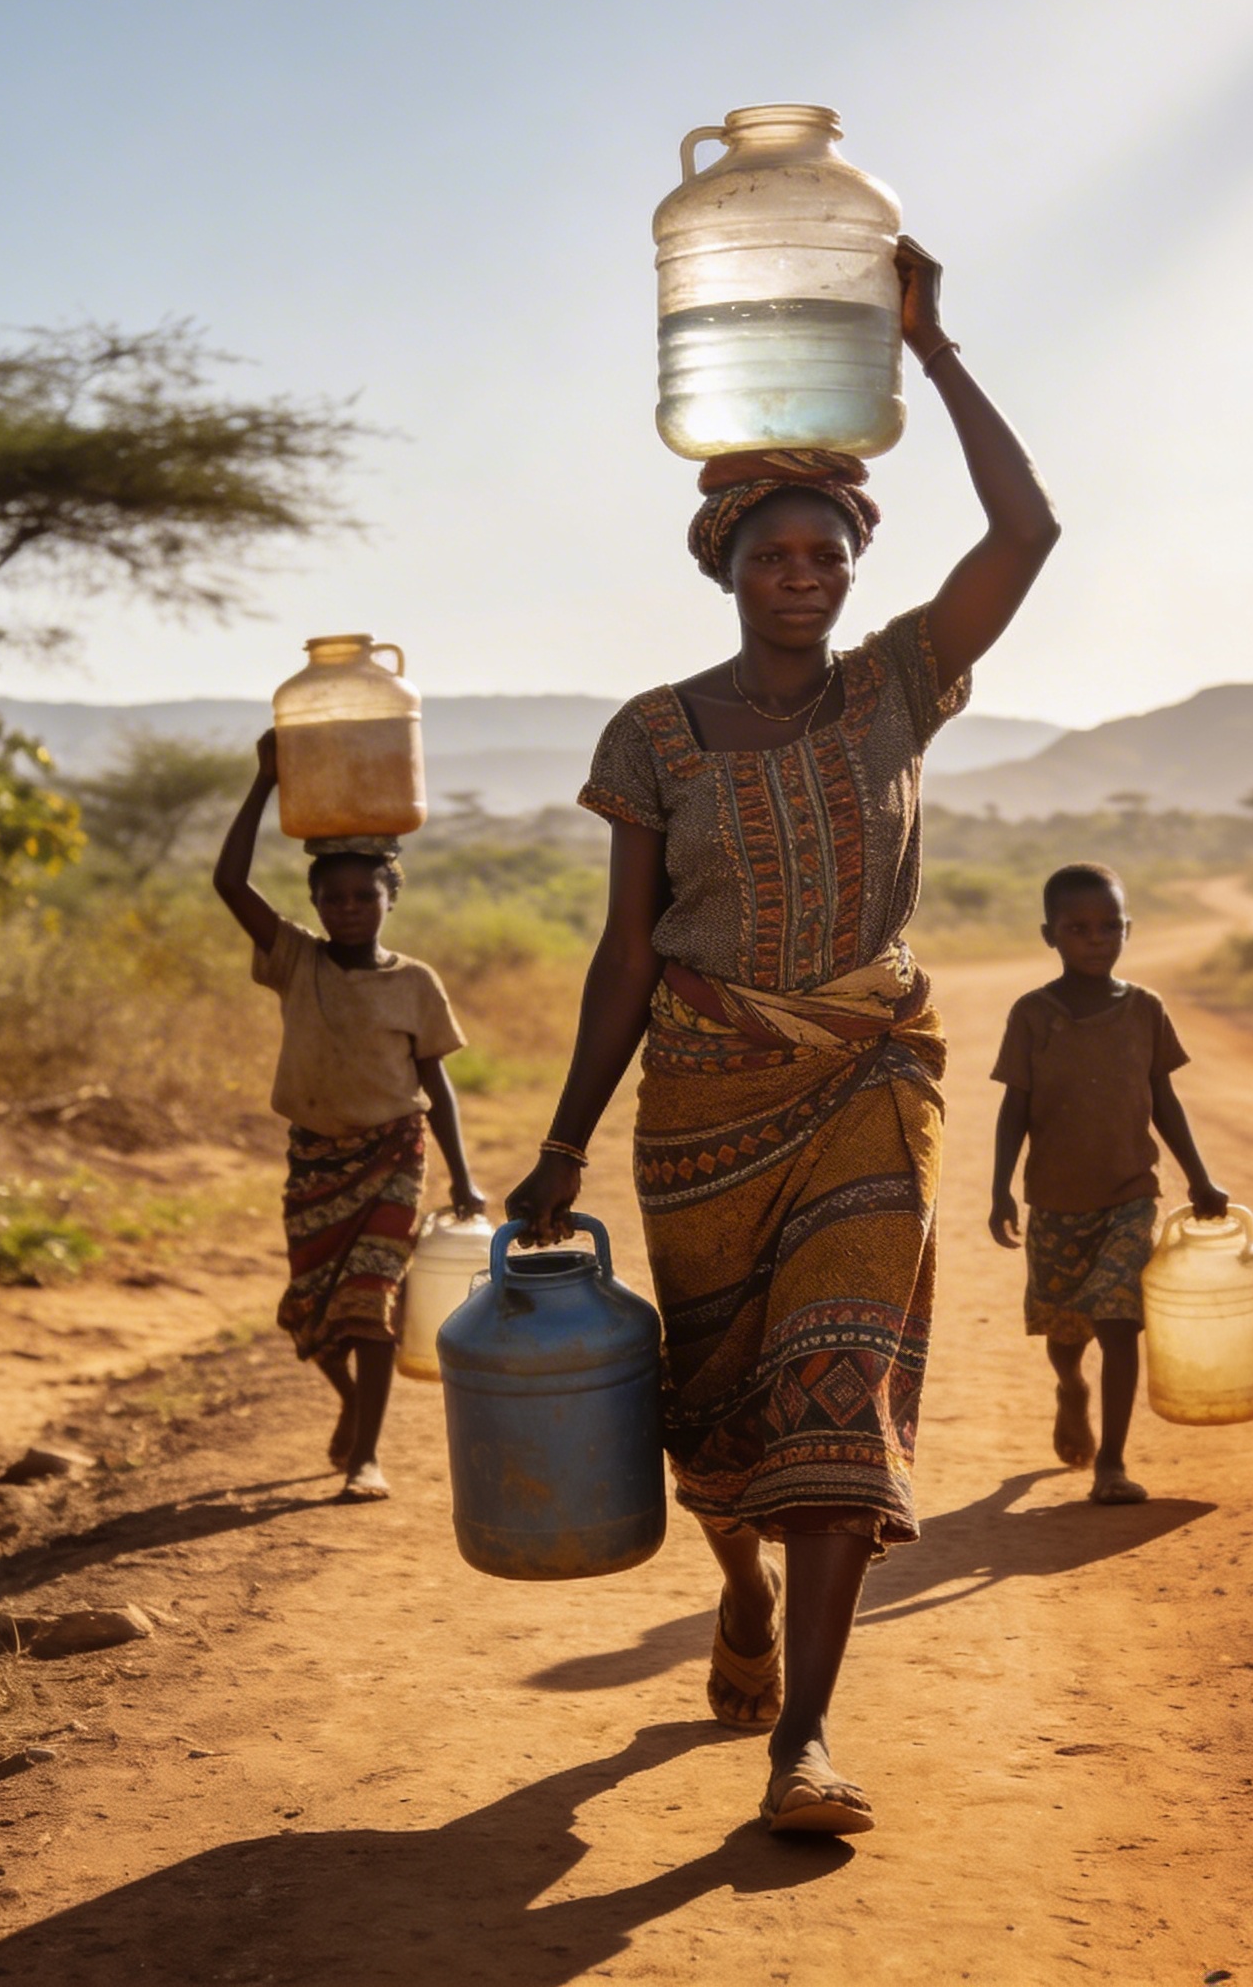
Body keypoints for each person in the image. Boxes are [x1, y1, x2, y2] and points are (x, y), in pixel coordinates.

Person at [506, 238, 1058, 1837]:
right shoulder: (654, 735)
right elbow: (625, 954)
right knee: (720, 1413)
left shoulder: (900, 687)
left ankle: (802, 1738)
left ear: (852, 569)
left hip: (873, 1086)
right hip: (698, 1110)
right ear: (727, 564)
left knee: (839, 1385)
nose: (805, 571)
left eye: (828, 550)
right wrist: (556, 1145)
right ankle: (734, 1586)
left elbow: (1028, 531)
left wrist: (936, 353)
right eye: (776, 551)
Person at [214, 731, 486, 1501]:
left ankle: (367, 1458)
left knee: (370, 1306)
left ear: (390, 898)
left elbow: (437, 1086)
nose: (348, 909)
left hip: (394, 1158)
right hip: (315, 1160)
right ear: (314, 904)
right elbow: (229, 883)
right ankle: (352, 1404)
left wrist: (464, 1178)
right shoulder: (295, 961)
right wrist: (265, 780)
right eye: (333, 897)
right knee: (313, 1319)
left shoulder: (416, 983)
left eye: (364, 896)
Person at [988, 862, 1228, 1503]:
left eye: (1109, 927)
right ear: (1050, 935)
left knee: (1120, 1322)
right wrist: (999, 1189)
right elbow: (1015, 1107)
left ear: (1129, 930)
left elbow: (1164, 1100)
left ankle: (1112, 1466)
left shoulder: (1144, 1010)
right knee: (1066, 1334)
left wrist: (1199, 1178)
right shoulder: (1033, 1014)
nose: (1096, 939)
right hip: (1057, 1203)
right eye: (1078, 928)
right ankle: (1071, 1389)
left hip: (1129, 1196)